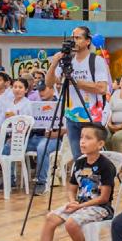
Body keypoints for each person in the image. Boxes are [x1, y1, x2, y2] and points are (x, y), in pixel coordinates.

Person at [21, 123, 116, 241]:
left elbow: (104, 198)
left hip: (100, 207)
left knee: (71, 223)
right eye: (81, 137)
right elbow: (71, 188)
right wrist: (72, 200)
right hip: (80, 204)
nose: (82, 141)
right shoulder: (79, 163)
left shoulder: (106, 166)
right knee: (50, 218)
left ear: (100, 144)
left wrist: (79, 207)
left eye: (88, 138)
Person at [45, 26, 111, 160]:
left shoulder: (96, 60)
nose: (74, 41)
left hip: (91, 117)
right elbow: (49, 83)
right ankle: (81, 174)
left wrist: (74, 81)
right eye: (72, 38)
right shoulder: (67, 61)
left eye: (78, 38)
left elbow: (102, 88)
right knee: (78, 157)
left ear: (88, 41)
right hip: (71, 117)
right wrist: (54, 63)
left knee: (92, 157)